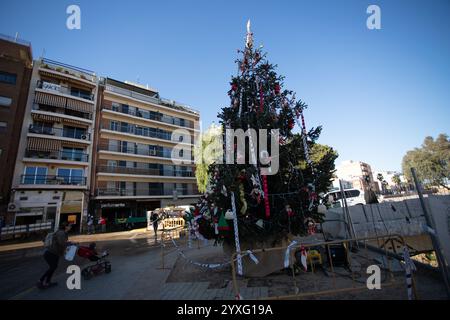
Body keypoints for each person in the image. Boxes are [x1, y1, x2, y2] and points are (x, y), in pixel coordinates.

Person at [37, 222, 72, 289]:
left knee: (53, 267)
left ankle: (47, 282)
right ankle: (40, 280)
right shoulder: (61, 233)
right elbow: (62, 243)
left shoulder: (62, 233)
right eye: (69, 226)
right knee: (53, 267)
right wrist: (71, 243)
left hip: (54, 253)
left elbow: (62, 244)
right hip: (51, 253)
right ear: (66, 227)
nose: (70, 227)